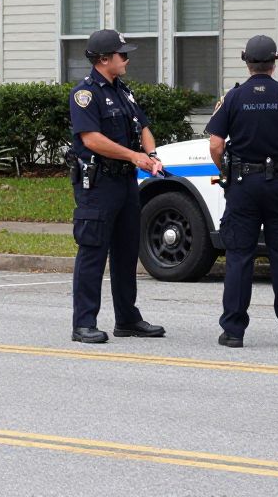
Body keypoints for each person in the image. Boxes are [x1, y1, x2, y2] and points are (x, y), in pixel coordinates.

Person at [206, 35, 278, 348]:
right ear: (274, 61)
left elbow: (215, 144)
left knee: (240, 256)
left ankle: (233, 331)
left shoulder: (234, 97)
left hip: (242, 185)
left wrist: (225, 170)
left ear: (246, 61)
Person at [68, 29, 166, 344]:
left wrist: (151, 156)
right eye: (122, 54)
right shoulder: (85, 94)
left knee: (126, 252)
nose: (126, 59)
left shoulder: (123, 91)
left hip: (125, 182)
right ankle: (84, 323)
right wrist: (134, 156)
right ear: (103, 59)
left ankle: (127, 319)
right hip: (99, 184)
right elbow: (91, 139)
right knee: (93, 251)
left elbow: (144, 126)